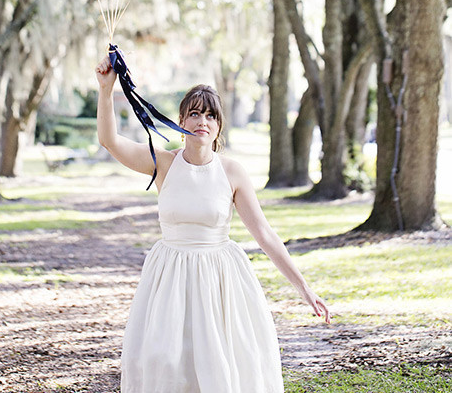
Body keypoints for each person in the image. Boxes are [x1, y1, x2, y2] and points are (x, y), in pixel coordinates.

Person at [95, 56, 331, 393]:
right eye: (194, 113)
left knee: (222, 363)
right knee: (166, 362)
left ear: (219, 125)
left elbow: (263, 234)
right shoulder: (162, 163)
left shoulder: (232, 172)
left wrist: (304, 288)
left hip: (219, 279)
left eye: (210, 115)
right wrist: (106, 90)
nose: (202, 121)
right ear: (181, 121)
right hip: (169, 276)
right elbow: (110, 141)